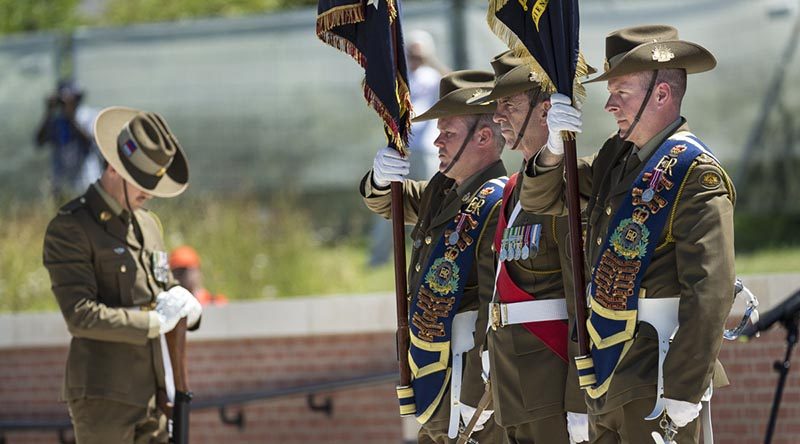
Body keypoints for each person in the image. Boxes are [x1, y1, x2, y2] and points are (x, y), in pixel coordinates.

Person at [523, 25, 735, 443]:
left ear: (661, 94)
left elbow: (709, 288)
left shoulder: (694, 173)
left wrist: (684, 386)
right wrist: (549, 148)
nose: (608, 105)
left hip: (654, 377)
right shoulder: (615, 158)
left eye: (622, 92)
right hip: (606, 375)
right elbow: (544, 197)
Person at [361, 70, 507, 444]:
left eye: (449, 133)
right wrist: (380, 178)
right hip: (432, 373)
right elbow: (386, 201)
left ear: (485, 137)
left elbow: (494, 307)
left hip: (466, 384)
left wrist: (476, 393)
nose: (437, 141)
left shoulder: (500, 200)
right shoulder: (441, 191)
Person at [43, 106, 202, 444]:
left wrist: (187, 306)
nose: (150, 193)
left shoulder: (148, 224)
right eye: (142, 182)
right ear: (114, 167)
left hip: (156, 398)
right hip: (104, 397)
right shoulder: (72, 227)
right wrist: (152, 323)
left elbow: (163, 292)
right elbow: (80, 315)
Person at [466, 50, 588, 443]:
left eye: (510, 105)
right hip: (512, 376)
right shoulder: (515, 188)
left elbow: (580, 296)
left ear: (546, 111)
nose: (498, 115)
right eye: (496, 106)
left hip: (551, 377)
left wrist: (579, 398)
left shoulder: (568, 184)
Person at [369, 30, 448, 267]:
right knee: (391, 203)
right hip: (402, 151)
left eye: (418, 54)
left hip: (427, 150)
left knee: (432, 202)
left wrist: (430, 60)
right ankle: (378, 258)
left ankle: (433, 254)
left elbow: (455, 84)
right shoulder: (400, 80)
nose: (414, 58)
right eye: (410, 53)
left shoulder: (433, 76)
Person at [35, 80, 102, 200]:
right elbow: (39, 141)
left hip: (86, 181)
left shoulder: (89, 115)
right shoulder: (56, 120)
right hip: (62, 184)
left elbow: (90, 142)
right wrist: (48, 113)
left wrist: (71, 118)